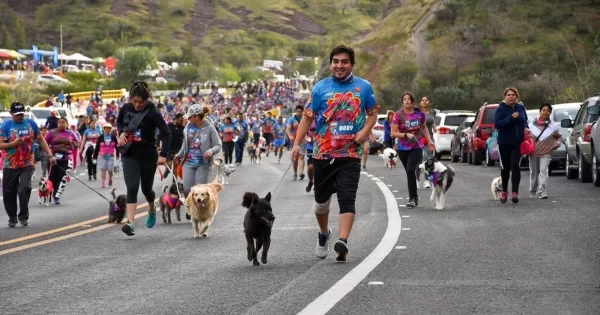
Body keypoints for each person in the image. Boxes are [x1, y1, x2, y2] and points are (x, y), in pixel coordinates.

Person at [292, 45, 379, 262]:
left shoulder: (364, 87)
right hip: (323, 154)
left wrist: (364, 131)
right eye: (336, 61)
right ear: (331, 64)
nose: (340, 65)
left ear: (352, 64)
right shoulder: (320, 88)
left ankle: (343, 241)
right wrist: (296, 144)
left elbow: (373, 114)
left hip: (350, 153)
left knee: (347, 198)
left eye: (344, 62)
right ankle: (324, 234)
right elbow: (308, 118)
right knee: (321, 202)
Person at [117, 81, 171, 236]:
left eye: (141, 102)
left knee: (147, 189)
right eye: (134, 101)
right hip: (130, 153)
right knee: (132, 186)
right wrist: (121, 131)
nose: (137, 105)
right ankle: (131, 223)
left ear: (147, 99)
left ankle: (152, 208)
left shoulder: (153, 113)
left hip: (148, 154)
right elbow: (119, 122)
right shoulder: (125, 108)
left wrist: (163, 156)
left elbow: (166, 134)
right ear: (130, 98)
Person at [0, 102, 55, 227]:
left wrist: (50, 155)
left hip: (27, 163)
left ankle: (23, 216)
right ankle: (12, 217)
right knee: (9, 192)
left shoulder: (31, 124)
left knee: (24, 188)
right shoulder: (5, 126)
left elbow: (41, 139)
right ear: (11, 114)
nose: (20, 117)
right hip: (10, 164)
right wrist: (12, 144)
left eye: (21, 114)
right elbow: (0, 145)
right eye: (17, 115)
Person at [390, 92, 435, 208]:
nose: (407, 101)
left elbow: (424, 128)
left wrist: (430, 141)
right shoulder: (397, 115)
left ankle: (412, 198)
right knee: (409, 172)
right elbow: (393, 133)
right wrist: (405, 135)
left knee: (410, 170)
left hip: (416, 146)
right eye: (405, 99)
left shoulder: (419, 114)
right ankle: (414, 196)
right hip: (403, 148)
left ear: (413, 101)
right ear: (402, 102)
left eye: (409, 99)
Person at [175, 104, 222, 196]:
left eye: (190, 117)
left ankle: (199, 210)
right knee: (187, 189)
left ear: (196, 117)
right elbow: (185, 144)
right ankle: (190, 210)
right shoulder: (187, 127)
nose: (188, 119)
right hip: (188, 163)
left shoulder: (210, 128)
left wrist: (211, 151)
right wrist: (179, 155)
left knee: (199, 190)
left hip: (202, 164)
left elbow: (218, 145)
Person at [494, 87, 528, 204]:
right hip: (504, 143)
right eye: (509, 95)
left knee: (515, 166)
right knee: (505, 168)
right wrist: (510, 117)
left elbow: (525, 120)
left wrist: (526, 127)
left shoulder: (521, 108)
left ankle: (515, 193)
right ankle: (504, 192)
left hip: (517, 143)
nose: (511, 97)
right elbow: (498, 124)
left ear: (516, 97)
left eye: (513, 95)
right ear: (505, 97)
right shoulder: (501, 109)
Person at [528, 103, 562, 199]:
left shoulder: (553, 127)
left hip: (546, 153)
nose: (545, 112)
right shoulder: (531, 126)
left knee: (543, 170)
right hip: (533, 152)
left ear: (550, 113)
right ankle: (532, 191)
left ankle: (542, 192)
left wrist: (557, 144)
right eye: (544, 110)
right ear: (540, 111)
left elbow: (559, 137)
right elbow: (526, 138)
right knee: (534, 172)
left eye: (548, 111)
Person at [45, 117, 80, 205]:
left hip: (66, 158)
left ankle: (57, 196)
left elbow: (76, 144)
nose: (61, 124)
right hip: (53, 158)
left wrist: (75, 144)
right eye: (59, 122)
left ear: (66, 124)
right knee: (52, 178)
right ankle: (50, 192)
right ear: (57, 124)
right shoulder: (51, 132)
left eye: (63, 122)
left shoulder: (71, 133)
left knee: (62, 177)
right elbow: (44, 143)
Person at [93, 123, 119, 188]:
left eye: (109, 128)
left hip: (111, 155)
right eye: (106, 128)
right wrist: (94, 156)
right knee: (103, 169)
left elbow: (117, 146)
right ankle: (103, 182)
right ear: (103, 129)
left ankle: (110, 178)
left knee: (110, 170)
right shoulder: (100, 137)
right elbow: (97, 147)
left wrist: (117, 154)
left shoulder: (113, 137)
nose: (107, 129)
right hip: (102, 156)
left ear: (111, 129)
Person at [160, 113, 185, 180]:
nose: (181, 122)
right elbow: (160, 135)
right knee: (169, 165)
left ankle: (174, 183)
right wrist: (158, 145)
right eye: (180, 120)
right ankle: (167, 171)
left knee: (176, 167)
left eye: (182, 120)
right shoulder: (168, 126)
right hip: (169, 149)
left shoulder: (183, 128)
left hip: (178, 149)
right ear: (176, 119)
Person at [287, 105, 305, 180]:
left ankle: (301, 172)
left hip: (303, 140)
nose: (299, 113)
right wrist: (289, 136)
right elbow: (287, 129)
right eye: (298, 111)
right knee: (295, 158)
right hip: (294, 141)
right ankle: (295, 173)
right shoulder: (292, 119)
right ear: (296, 111)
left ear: (302, 112)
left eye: (300, 111)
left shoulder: (305, 119)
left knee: (301, 156)